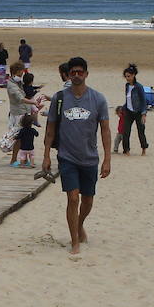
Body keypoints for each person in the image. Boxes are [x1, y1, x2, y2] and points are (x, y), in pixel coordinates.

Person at [40, 57, 111, 257]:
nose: (77, 75)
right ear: (68, 75)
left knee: (87, 200)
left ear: (86, 74)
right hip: (67, 157)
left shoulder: (98, 99)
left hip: (90, 158)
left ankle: (79, 225)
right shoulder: (59, 98)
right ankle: (74, 242)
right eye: (73, 73)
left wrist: (107, 159)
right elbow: (50, 129)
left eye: (80, 72)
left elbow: (105, 130)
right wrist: (46, 156)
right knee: (73, 198)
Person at [116, 64, 149, 155]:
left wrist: (143, 114)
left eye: (129, 76)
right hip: (128, 112)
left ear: (133, 75)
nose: (127, 78)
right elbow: (128, 99)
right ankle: (126, 150)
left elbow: (143, 101)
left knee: (141, 131)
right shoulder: (127, 86)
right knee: (126, 131)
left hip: (138, 112)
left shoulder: (139, 87)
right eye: (126, 76)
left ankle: (144, 148)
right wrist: (122, 109)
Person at [5, 62, 30, 130]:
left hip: (22, 111)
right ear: (17, 71)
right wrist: (33, 102)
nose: (22, 74)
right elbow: (21, 98)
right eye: (21, 72)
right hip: (17, 113)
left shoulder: (19, 82)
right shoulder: (11, 85)